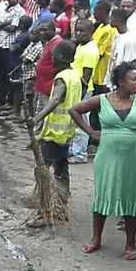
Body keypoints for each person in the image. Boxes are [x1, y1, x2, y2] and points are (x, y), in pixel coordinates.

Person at [70, 61, 136, 260]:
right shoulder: (103, 99)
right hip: (107, 155)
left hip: (133, 156)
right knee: (103, 195)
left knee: (131, 197)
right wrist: (90, 132)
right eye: (133, 79)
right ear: (121, 82)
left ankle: (130, 245)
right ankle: (96, 239)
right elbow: (75, 110)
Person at [33, 40, 81, 197]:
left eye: (53, 56)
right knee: (61, 166)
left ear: (59, 58)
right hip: (67, 131)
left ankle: (44, 201)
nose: (51, 59)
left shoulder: (61, 78)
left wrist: (37, 118)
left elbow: (55, 100)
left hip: (54, 132)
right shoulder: (74, 75)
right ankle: (63, 197)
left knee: (43, 167)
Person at [69, 20, 99, 164]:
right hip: (75, 88)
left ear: (91, 32)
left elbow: (86, 76)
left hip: (83, 90)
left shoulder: (90, 50)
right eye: (77, 31)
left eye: (82, 31)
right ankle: (73, 149)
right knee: (74, 121)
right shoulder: (82, 45)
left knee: (81, 122)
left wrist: (80, 93)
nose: (79, 34)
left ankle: (80, 154)